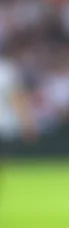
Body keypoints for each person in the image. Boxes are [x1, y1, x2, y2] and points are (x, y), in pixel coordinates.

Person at [0, 55, 37, 202]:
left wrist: (26, 122)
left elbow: (17, 98)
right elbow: (18, 98)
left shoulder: (6, 70)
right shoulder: (6, 69)